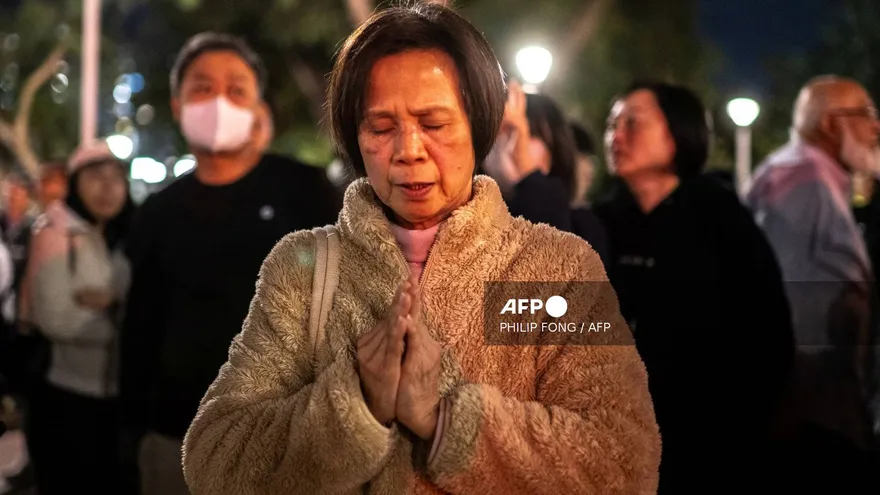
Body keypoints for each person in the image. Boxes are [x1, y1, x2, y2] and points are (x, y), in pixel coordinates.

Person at [182, 5, 660, 494]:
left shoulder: (554, 268)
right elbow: (214, 458)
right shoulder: (304, 269)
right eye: (382, 127)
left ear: (480, 126)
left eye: (433, 124)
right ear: (355, 138)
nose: (408, 150)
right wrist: (356, 401)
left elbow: (626, 461)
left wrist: (446, 415)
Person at [120, 32, 342, 495]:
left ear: (257, 105)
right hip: (176, 434)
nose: (218, 100)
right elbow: (140, 325)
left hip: (286, 432)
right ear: (178, 106)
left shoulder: (305, 190)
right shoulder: (157, 212)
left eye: (236, 89)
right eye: (201, 87)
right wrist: (133, 428)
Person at [595, 81, 795, 492]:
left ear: (678, 133)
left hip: (707, 453)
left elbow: (768, 335)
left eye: (633, 123)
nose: (617, 136)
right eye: (612, 124)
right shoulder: (600, 223)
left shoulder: (720, 221)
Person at [746, 75, 880, 490]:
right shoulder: (803, 180)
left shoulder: (810, 177)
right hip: (812, 419)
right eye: (865, 114)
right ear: (830, 124)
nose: (876, 127)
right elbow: (793, 303)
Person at [18, 140, 134, 494]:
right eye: (95, 177)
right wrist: (124, 319)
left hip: (118, 396)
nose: (107, 188)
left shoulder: (125, 237)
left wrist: (110, 302)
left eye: (117, 178)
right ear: (75, 183)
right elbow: (57, 319)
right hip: (67, 397)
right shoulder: (55, 234)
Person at [482, 82, 609, 264]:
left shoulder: (584, 228)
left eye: (529, 134)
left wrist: (529, 179)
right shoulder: (466, 218)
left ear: (555, 149)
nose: (513, 143)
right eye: (503, 130)